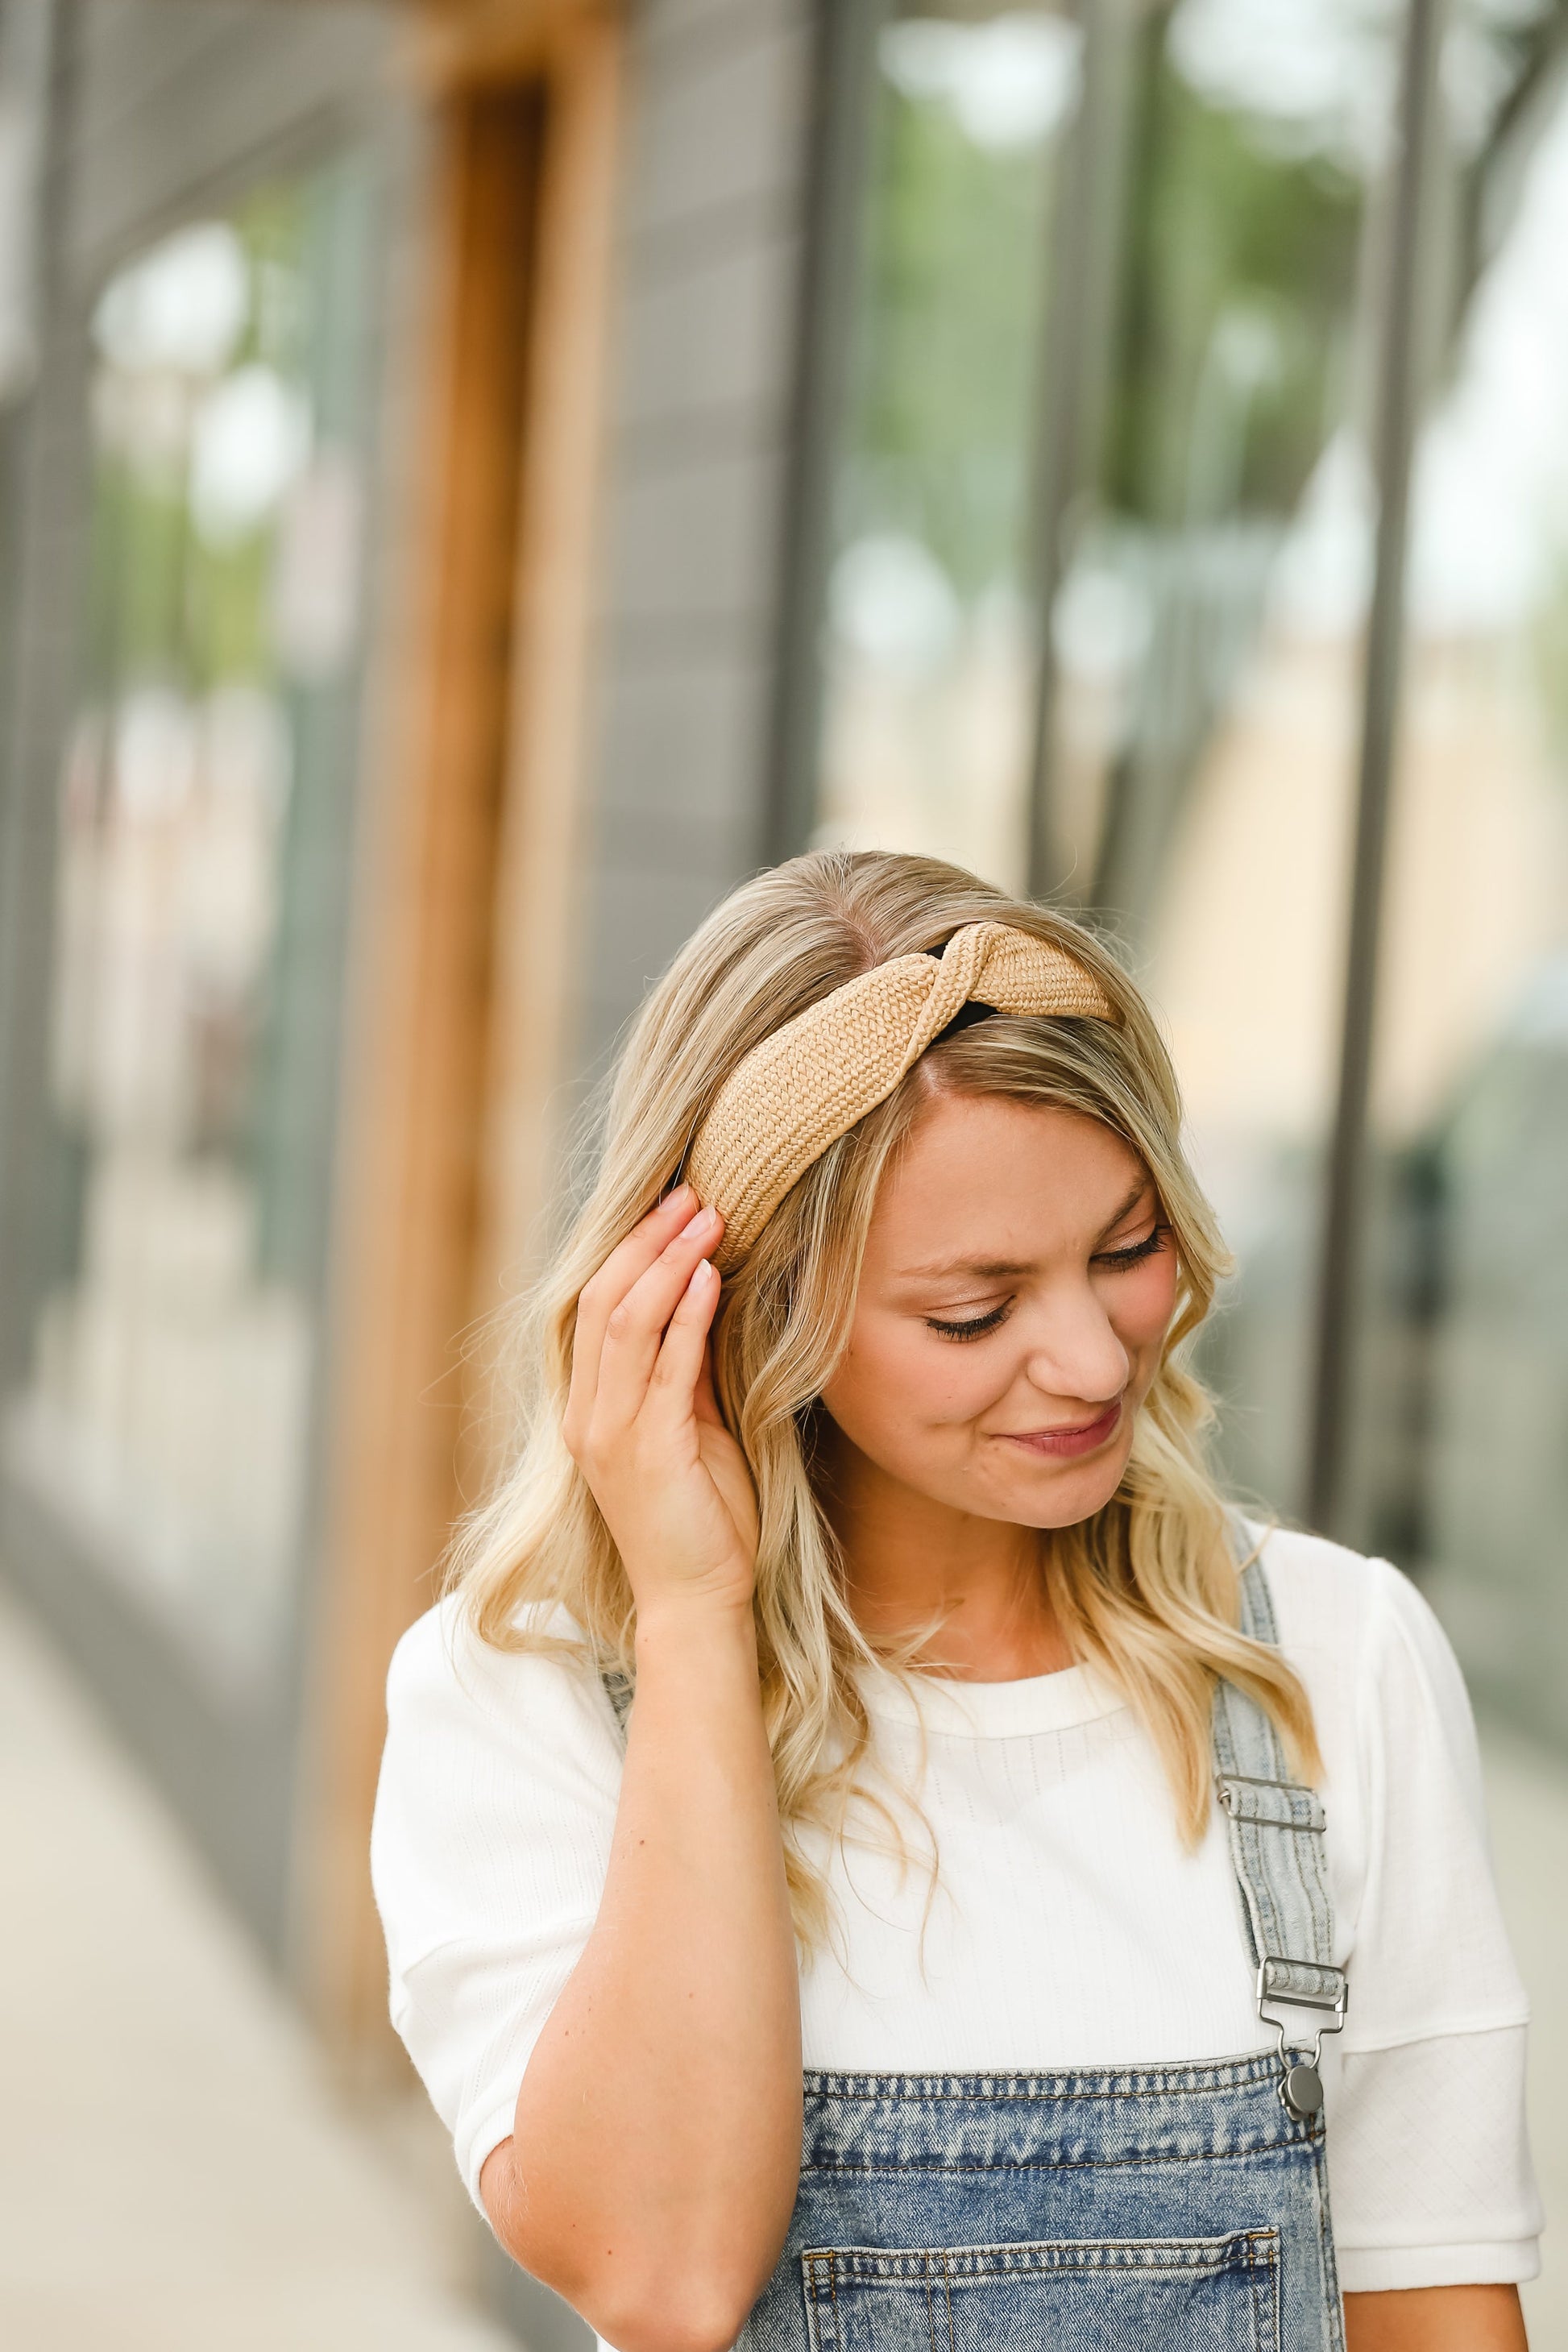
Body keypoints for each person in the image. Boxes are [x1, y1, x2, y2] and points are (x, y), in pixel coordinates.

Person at [372, 851, 1541, 2352]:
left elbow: (1434, 2306)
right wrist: (689, 1615)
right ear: (737, 1310)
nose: (1095, 1361)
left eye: (1125, 1248)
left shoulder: (1331, 1658)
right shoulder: (521, 1701)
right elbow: (664, 2280)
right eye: (974, 1310)